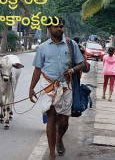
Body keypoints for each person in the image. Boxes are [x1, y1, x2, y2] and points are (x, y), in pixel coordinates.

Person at [29, 17, 84, 160]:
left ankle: (59, 138)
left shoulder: (71, 44)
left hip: (66, 86)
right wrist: (31, 89)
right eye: (56, 26)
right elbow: (37, 69)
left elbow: (81, 63)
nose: (59, 28)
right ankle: (52, 154)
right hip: (48, 87)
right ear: (49, 28)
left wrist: (72, 70)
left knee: (64, 122)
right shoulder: (42, 47)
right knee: (51, 119)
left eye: (61, 26)